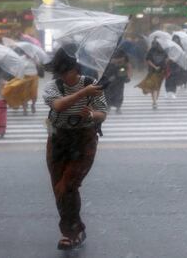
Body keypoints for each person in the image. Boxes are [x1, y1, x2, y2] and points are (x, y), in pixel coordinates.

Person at [43, 45, 107, 250]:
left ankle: (71, 233)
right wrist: (83, 94)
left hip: (83, 140)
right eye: (59, 72)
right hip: (58, 140)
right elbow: (59, 106)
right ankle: (75, 230)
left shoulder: (91, 84)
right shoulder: (53, 87)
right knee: (59, 188)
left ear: (75, 69)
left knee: (67, 185)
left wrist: (90, 115)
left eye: (65, 71)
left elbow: (102, 113)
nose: (62, 76)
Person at [136, 40, 168, 109]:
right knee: (156, 87)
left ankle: (154, 101)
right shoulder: (163, 51)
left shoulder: (151, 51)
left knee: (155, 87)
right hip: (160, 71)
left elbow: (148, 60)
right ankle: (155, 101)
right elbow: (166, 60)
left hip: (153, 71)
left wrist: (155, 67)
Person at [103, 49, 132, 114]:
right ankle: (108, 106)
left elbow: (128, 65)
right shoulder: (108, 52)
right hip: (110, 75)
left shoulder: (122, 52)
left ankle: (118, 107)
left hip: (120, 76)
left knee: (119, 92)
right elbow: (105, 63)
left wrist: (129, 76)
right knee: (108, 92)